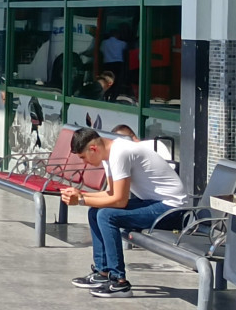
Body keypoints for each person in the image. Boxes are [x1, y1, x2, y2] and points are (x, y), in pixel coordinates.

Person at [63, 127, 187, 298]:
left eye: (83, 157)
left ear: (93, 149)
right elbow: (110, 193)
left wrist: (81, 200)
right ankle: (103, 272)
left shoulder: (120, 153)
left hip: (173, 209)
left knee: (106, 215)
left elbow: (120, 201)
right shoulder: (108, 155)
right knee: (95, 212)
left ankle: (120, 282)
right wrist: (81, 195)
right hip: (155, 203)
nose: (84, 163)